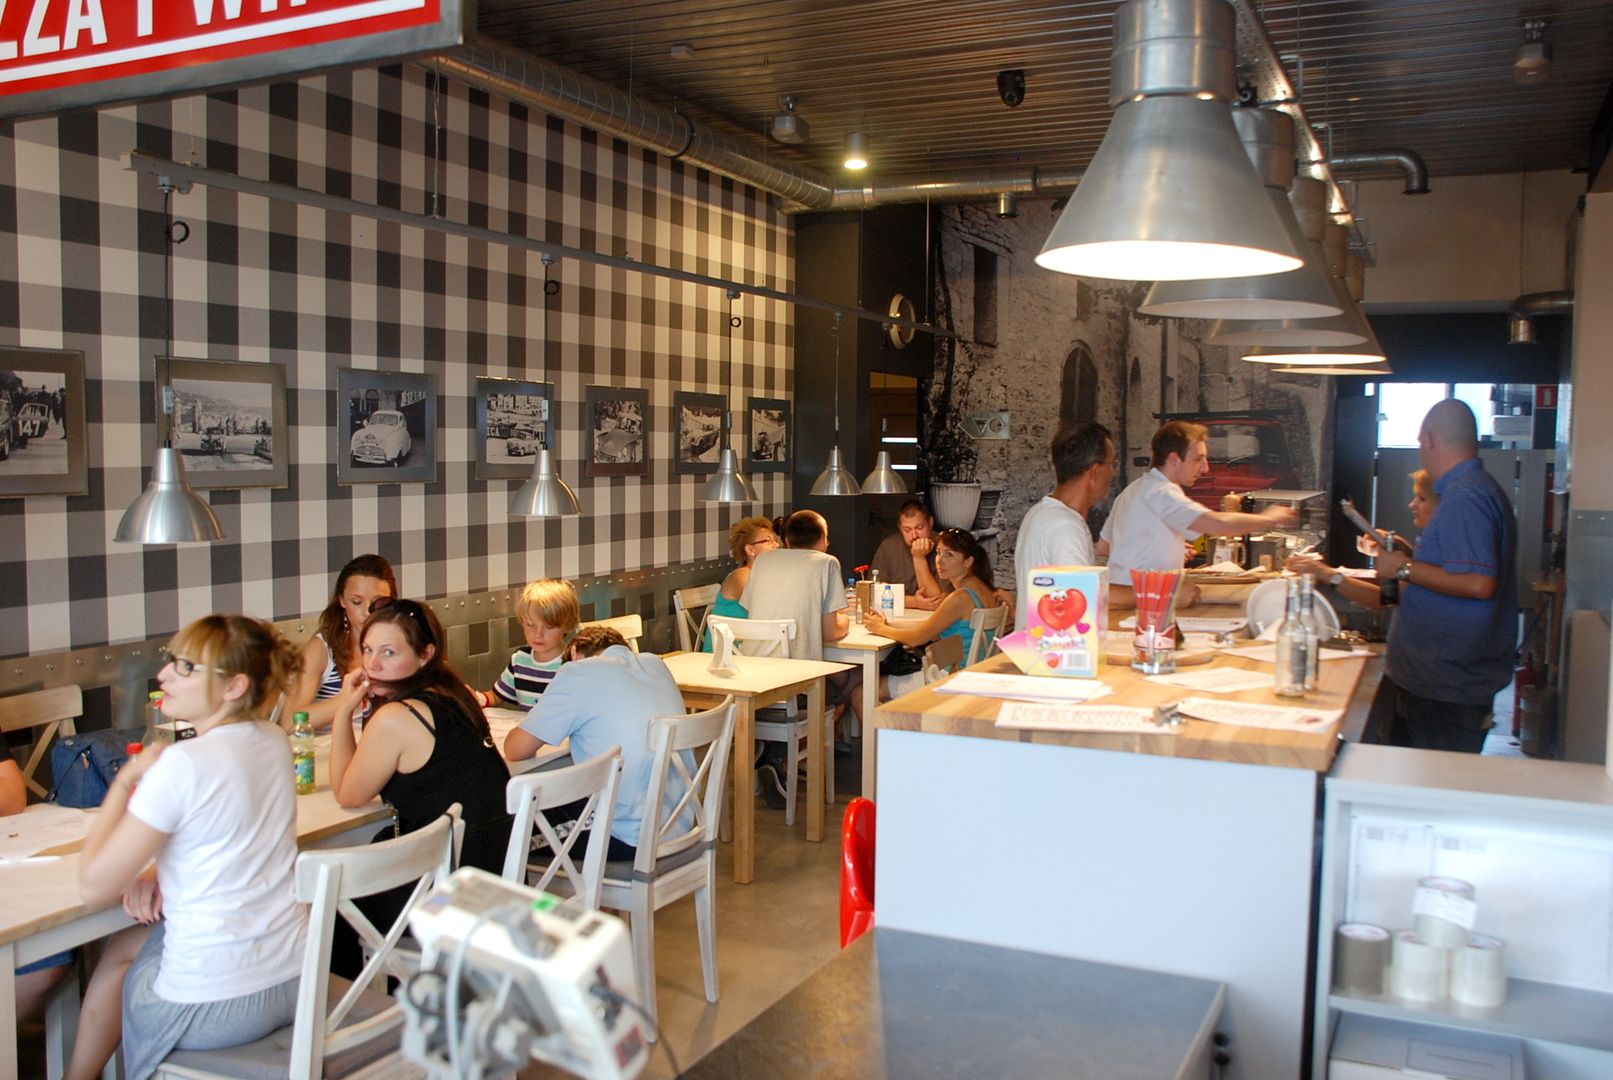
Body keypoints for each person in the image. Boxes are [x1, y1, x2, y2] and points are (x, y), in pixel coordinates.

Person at [72, 615, 307, 1080]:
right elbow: (224, 835)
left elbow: (92, 887)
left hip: (214, 1007)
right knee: (127, 946)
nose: (163, 676)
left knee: (119, 956)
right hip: (295, 981)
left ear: (234, 686)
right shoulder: (275, 740)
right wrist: (159, 871)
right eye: (171, 661)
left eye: (185, 667)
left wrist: (124, 782)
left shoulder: (181, 764)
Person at [328, 597, 514, 975]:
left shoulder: (397, 716)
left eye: (389, 652)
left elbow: (348, 793)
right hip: (494, 877)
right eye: (368, 650)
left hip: (446, 896)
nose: (372, 664)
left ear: (425, 654)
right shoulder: (455, 695)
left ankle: (356, 1008)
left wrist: (342, 711)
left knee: (326, 908)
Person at [1361, 400, 1517, 752]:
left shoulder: (1465, 497)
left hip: (1445, 693)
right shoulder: (1474, 490)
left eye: (1420, 443)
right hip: (1443, 686)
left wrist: (1402, 568)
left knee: (1430, 784)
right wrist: (1408, 556)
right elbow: (1457, 569)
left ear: (1429, 439)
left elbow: (1479, 583)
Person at [504, 626, 690, 862]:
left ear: (574, 653)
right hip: (679, 824)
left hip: (625, 836)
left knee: (504, 830)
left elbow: (515, 749)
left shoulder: (578, 672)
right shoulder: (655, 664)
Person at [1099, 421, 1299, 609]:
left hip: (1122, 598)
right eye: (1198, 459)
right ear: (1174, 459)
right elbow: (1217, 525)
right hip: (1142, 602)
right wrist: (1269, 518)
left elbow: (1105, 546)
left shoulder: (1135, 488)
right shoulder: (1163, 492)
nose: (1205, 468)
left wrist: (1165, 546)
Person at [740, 509, 859, 800]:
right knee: (847, 681)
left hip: (751, 676)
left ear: (788, 540)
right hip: (795, 686)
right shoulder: (826, 563)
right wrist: (846, 621)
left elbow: (751, 608)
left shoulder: (764, 561)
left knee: (829, 683)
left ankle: (771, 752)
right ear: (823, 539)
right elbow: (830, 632)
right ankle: (782, 760)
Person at [865, 529, 998, 698]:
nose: (940, 560)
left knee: (863, 692)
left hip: (951, 678)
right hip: (974, 676)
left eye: (949, 555)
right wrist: (888, 623)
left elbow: (916, 639)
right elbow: (931, 625)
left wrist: (880, 629)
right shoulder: (984, 589)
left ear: (968, 561)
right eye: (938, 552)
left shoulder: (961, 598)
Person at [1013, 420, 1118, 630]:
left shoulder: (1042, 512)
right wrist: (1158, 592)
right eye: (1112, 464)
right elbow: (1082, 594)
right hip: (1050, 649)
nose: (1113, 472)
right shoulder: (1064, 526)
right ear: (1094, 472)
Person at [1287, 468, 1438, 609]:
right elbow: (1420, 578)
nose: (1412, 504)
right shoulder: (1431, 539)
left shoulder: (1441, 545)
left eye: (1422, 499)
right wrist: (1401, 546)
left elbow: (1387, 599)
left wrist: (1325, 573)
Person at [290, 554, 397, 729]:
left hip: (380, 741)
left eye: (377, 603)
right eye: (357, 602)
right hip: (328, 743)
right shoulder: (322, 648)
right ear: (342, 601)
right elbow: (289, 722)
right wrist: (351, 697)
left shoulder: (402, 646)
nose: (367, 612)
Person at [472, 578, 579, 708]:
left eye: (549, 627)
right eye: (530, 624)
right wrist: (476, 698)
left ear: (568, 625)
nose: (538, 634)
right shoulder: (520, 659)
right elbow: (495, 697)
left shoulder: (574, 663)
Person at [703, 516, 779, 649]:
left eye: (775, 540)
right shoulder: (741, 576)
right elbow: (765, 609)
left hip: (750, 649)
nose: (776, 545)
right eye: (769, 541)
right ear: (750, 550)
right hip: (725, 654)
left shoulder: (765, 575)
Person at [869, 499, 949, 610]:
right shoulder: (889, 547)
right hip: (898, 615)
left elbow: (937, 600)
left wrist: (919, 558)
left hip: (937, 617)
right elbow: (874, 593)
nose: (914, 535)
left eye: (919, 528)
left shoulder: (945, 547)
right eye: (907, 530)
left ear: (930, 523)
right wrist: (913, 602)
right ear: (900, 528)